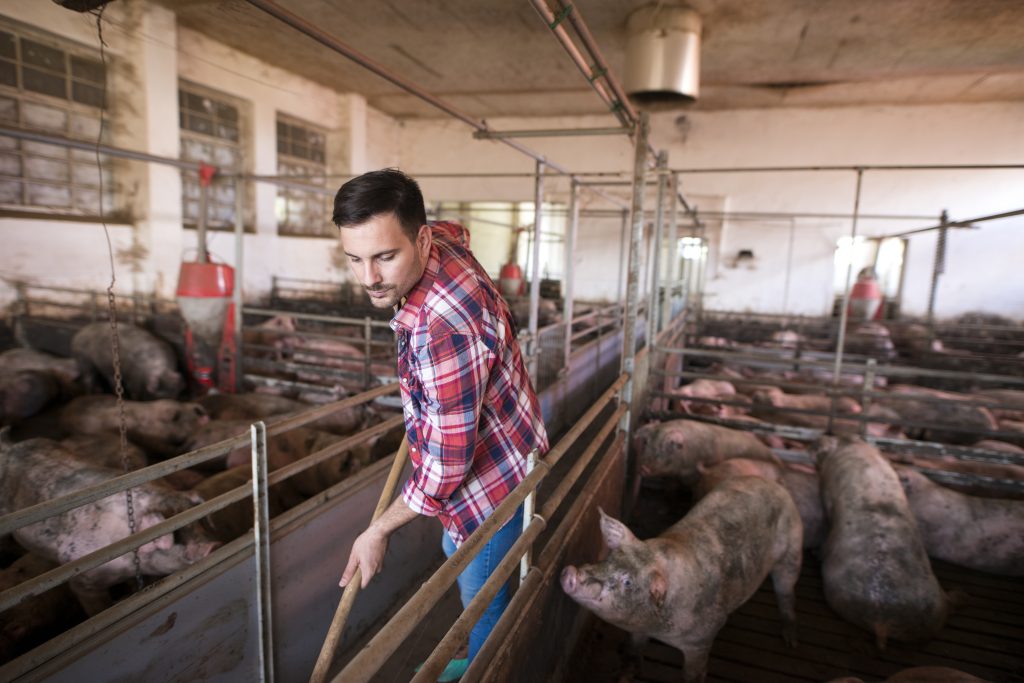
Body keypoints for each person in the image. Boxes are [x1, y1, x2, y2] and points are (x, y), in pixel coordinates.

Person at [334, 169, 549, 680]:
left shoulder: (443, 325)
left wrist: (378, 529)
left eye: (385, 257)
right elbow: (458, 229)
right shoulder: (441, 242)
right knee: (456, 553)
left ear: (421, 239)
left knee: (482, 599)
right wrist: (423, 415)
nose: (370, 278)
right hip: (500, 441)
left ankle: (484, 664)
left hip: (492, 483)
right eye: (355, 259)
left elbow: (449, 464)